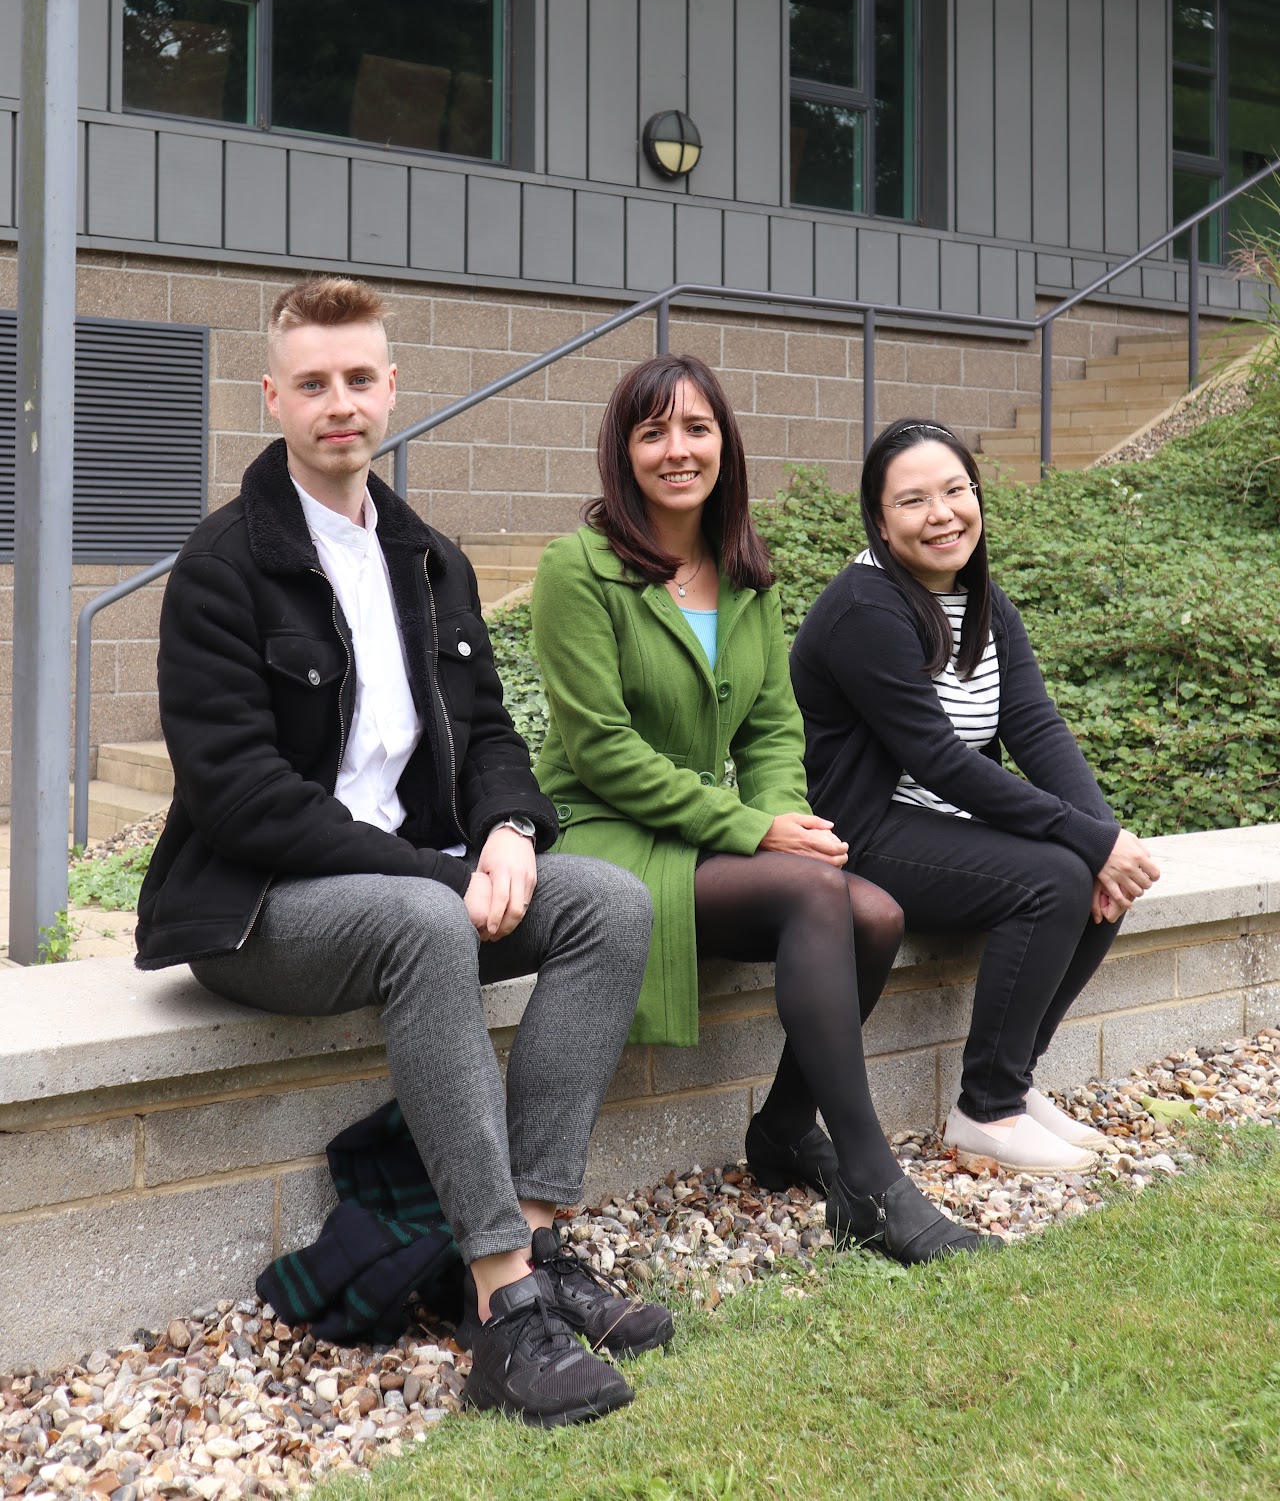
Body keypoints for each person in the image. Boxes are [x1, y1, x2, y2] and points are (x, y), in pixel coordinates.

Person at [135, 275, 667, 1428]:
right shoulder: (221, 565)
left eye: (360, 379)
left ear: (392, 391)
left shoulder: (429, 559)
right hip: (260, 909)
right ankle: (500, 1312)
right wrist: (442, 875)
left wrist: (512, 832)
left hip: (415, 885)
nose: (340, 402)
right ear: (272, 397)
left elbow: (486, 738)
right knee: (426, 918)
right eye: (313, 383)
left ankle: (531, 1246)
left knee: (609, 906)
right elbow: (237, 797)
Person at [530, 354, 987, 1265]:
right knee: (819, 897)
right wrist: (754, 830)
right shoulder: (576, 570)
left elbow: (775, 732)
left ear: (724, 445)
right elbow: (602, 753)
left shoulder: (746, 574)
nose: (677, 450)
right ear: (622, 451)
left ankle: (783, 1127)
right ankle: (871, 1183)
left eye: (696, 428)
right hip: (605, 833)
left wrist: (789, 820)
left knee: (876, 911)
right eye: (652, 431)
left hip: (701, 830)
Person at [790, 417, 1162, 1175]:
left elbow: (1038, 730)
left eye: (957, 489)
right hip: (868, 832)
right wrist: (1085, 843)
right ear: (880, 521)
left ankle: (1014, 1085)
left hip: (940, 825)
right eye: (914, 500)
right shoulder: (867, 609)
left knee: (1101, 869)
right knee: (1060, 871)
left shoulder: (984, 603)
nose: (943, 513)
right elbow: (940, 761)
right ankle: (985, 1109)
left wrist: (1105, 836)